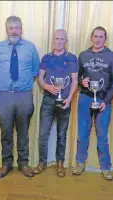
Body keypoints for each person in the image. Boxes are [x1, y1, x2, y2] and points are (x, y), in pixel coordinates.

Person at [0, 16, 40, 178]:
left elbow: (34, 71)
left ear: (21, 29)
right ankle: (6, 163)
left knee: (23, 131)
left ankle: (23, 163)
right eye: (11, 28)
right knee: (6, 131)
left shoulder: (30, 47)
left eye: (17, 27)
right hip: (3, 95)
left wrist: (20, 84)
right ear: (6, 29)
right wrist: (6, 83)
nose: (14, 31)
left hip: (24, 95)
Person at [73, 26, 113, 180]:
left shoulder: (112, 56)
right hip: (85, 98)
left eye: (101, 36)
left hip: (103, 100)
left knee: (102, 135)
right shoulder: (83, 55)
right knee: (82, 133)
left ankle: (106, 167)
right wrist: (82, 81)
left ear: (105, 39)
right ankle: (80, 163)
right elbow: (78, 77)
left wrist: (106, 101)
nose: (98, 39)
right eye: (95, 36)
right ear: (91, 38)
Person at [33, 29, 78, 178]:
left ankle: (60, 163)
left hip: (64, 101)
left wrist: (69, 99)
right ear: (53, 40)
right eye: (56, 39)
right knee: (43, 133)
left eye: (62, 39)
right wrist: (46, 86)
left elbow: (75, 81)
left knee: (61, 134)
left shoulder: (72, 58)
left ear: (66, 41)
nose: (59, 41)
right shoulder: (46, 57)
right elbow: (40, 77)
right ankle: (42, 162)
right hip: (48, 100)